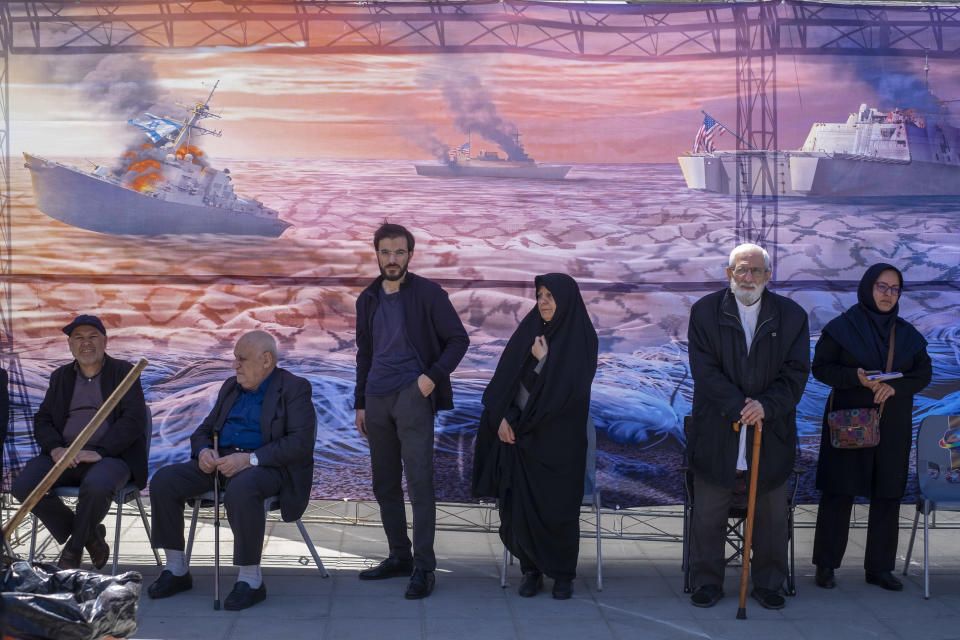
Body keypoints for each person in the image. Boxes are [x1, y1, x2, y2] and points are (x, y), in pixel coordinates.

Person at [147, 330, 316, 611]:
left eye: (241, 359)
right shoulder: (230, 386)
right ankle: (176, 570)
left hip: (267, 467)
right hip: (221, 463)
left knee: (242, 488)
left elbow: (299, 442)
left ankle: (251, 580)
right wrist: (203, 451)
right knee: (165, 480)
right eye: (234, 359)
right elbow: (203, 430)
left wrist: (249, 460)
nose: (235, 365)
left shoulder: (294, 388)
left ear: (266, 360)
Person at [686, 243, 810, 610]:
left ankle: (769, 583)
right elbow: (704, 370)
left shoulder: (791, 316)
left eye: (757, 271)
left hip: (770, 430)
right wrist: (741, 407)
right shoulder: (706, 312)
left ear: (769, 276)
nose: (749, 277)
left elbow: (796, 372)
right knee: (709, 513)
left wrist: (766, 406)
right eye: (741, 270)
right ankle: (707, 582)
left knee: (771, 514)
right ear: (728, 274)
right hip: (718, 428)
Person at [354, 222, 469, 599]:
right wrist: (360, 401)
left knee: (419, 484)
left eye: (399, 252)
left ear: (410, 254)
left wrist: (431, 378)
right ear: (376, 254)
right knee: (384, 484)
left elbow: (458, 339)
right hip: (376, 398)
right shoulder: (367, 298)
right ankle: (399, 556)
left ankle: (424, 567)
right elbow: (365, 354)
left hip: (412, 396)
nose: (392, 259)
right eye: (385, 252)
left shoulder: (429, 294)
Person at [472, 273, 598, 600]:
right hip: (520, 439)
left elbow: (570, 391)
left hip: (560, 443)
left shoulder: (581, 338)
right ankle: (530, 570)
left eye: (550, 296)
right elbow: (503, 383)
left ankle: (562, 574)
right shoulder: (529, 329)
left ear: (566, 301)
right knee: (519, 507)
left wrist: (545, 362)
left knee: (559, 510)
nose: (542, 301)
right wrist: (499, 417)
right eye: (540, 295)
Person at [812, 263, 932, 591]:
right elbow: (820, 368)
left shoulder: (906, 334)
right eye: (882, 287)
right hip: (849, 421)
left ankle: (879, 568)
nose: (888, 295)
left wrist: (895, 387)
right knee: (840, 490)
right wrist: (855, 377)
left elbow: (923, 374)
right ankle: (826, 565)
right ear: (868, 287)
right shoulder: (842, 328)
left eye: (894, 289)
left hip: (891, 424)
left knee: (888, 492)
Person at [12, 314, 148, 570]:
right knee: (25, 485)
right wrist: (56, 449)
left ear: (105, 341)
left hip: (111, 457)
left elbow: (134, 420)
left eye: (93, 336)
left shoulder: (124, 372)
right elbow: (43, 419)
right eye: (79, 338)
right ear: (70, 345)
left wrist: (100, 451)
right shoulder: (61, 376)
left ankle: (73, 551)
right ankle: (91, 536)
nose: (86, 343)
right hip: (64, 455)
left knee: (96, 487)